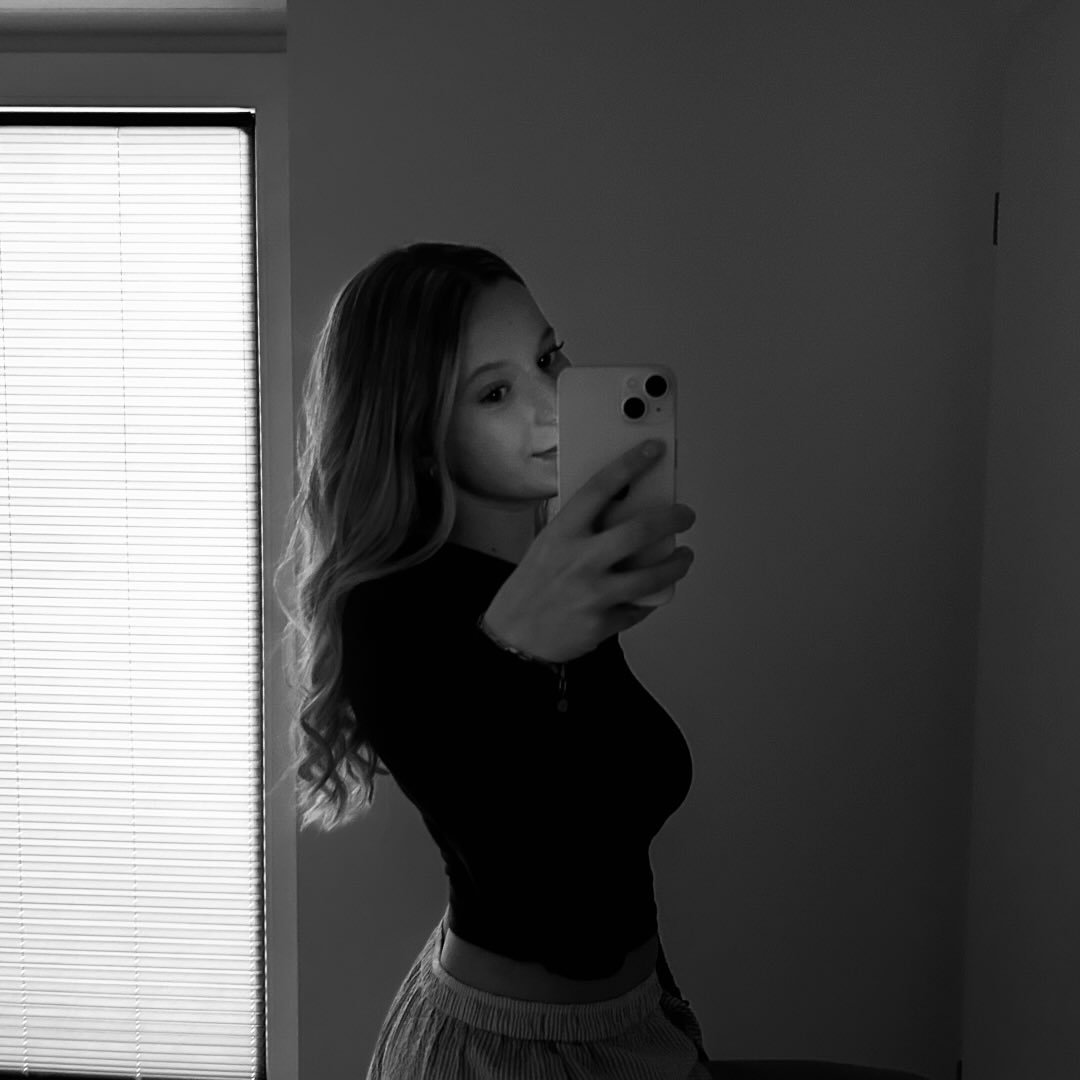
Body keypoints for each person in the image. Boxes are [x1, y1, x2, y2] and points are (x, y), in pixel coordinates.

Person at [272, 241, 709, 1078]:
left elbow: (611, 852)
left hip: (643, 1023)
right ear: (418, 431)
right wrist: (516, 646)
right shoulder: (389, 613)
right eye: (495, 392)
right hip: (504, 1054)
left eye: (548, 360)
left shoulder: (546, 579)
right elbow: (538, 869)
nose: (551, 406)